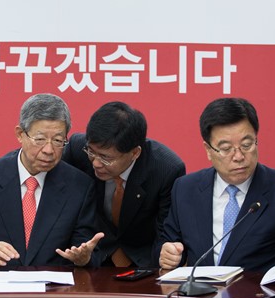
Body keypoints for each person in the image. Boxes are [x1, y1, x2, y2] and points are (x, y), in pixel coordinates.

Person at [159, 98, 275, 271]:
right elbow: (169, 243)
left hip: (257, 288)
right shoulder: (185, 189)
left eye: (246, 145)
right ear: (208, 150)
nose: (239, 157)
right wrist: (169, 254)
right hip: (200, 288)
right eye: (226, 148)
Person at [0, 93, 103, 268]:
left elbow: (86, 247)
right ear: (20, 134)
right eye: (40, 139)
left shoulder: (80, 186)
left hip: (54, 284)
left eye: (58, 140)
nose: (49, 150)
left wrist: (83, 258)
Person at [63, 101, 185, 267]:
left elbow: (165, 233)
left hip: (142, 262)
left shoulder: (166, 170)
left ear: (135, 153)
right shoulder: (76, 149)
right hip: (92, 257)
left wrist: (166, 257)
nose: (96, 163)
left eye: (106, 158)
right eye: (91, 152)